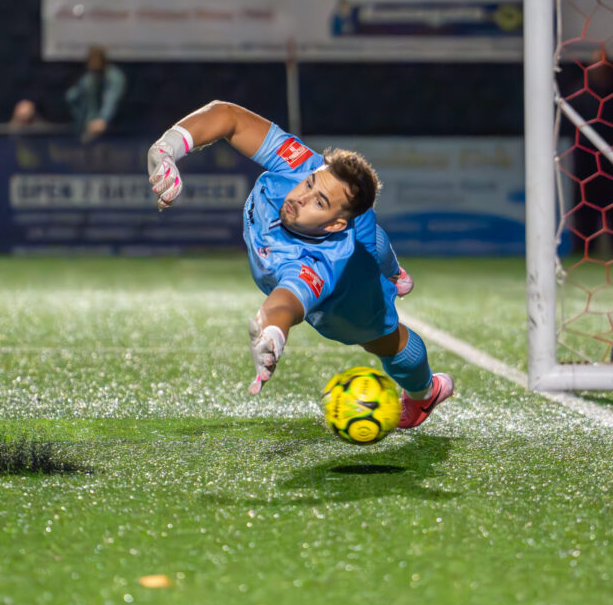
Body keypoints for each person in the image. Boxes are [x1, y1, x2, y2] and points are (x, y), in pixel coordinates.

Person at [145, 101, 454, 428]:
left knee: (382, 336)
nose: (300, 199)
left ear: (334, 225)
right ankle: (395, 272)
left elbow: (287, 302)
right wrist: (165, 150)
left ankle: (426, 393)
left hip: (347, 288)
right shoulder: (301, 165)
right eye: (309, 185)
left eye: (318, 202)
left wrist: (273, 332)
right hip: (349, 224)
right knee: (371, 233)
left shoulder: (324, 261)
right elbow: (228, 117)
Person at [11, 45, 127, 143]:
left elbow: (111, 100)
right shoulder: (89, 79)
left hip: (113, 130)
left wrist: (102, 120)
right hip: (80, 128)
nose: (94, 69)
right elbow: (72, 97)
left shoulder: (114, 77)